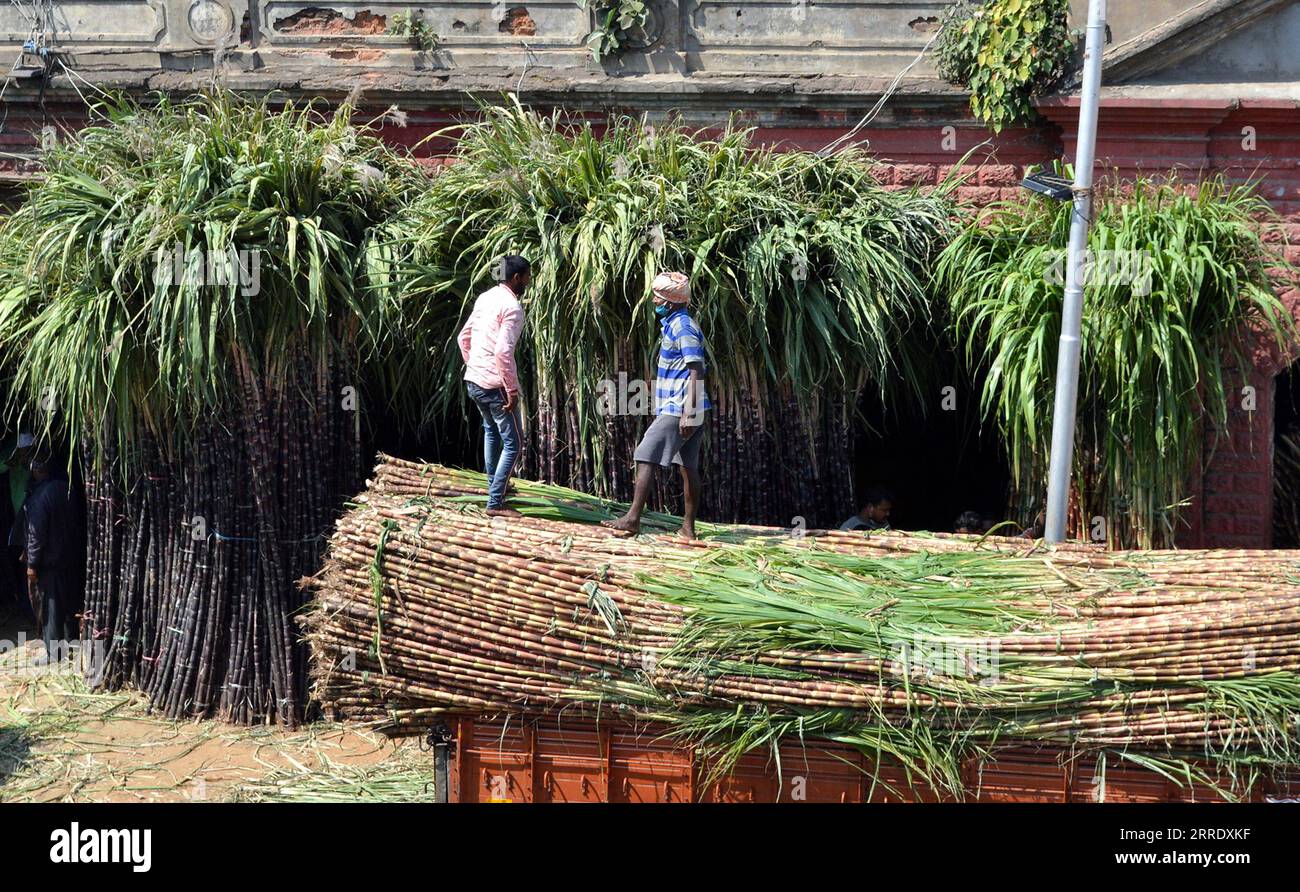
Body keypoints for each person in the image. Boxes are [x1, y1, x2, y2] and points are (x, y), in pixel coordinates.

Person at [604, 271, 710, 540]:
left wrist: (687, 411)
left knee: (645, 455)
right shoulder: (674, 324)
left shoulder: (682, 326)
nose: (654, 302)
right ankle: (688, 529)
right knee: (688, 467)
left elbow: (696, 368)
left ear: (672, 302)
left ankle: (632, 519)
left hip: (681, 406)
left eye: (658, 298)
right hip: (686, 406)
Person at [459, 255, 530, 518]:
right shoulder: (512, 308)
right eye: (527, 277)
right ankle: (495, 502)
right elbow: (502, 352)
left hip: (474, 379)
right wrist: (511, 390)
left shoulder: (485, 297)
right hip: (494, 385)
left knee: (491, 432)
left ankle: (494, 486)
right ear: (516, 279)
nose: (529, 282)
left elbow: (463, 337)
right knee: (514, 444)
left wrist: (474, 364)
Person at [21, 455, 82, 662]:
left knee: (51, 609)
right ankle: (71, 643)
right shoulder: (66, 488)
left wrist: (32, 564)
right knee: (69, 605)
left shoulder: (40, 496)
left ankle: (54, 653)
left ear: (37, 471)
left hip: (50, 562)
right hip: (70, 557)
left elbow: (36, 534)